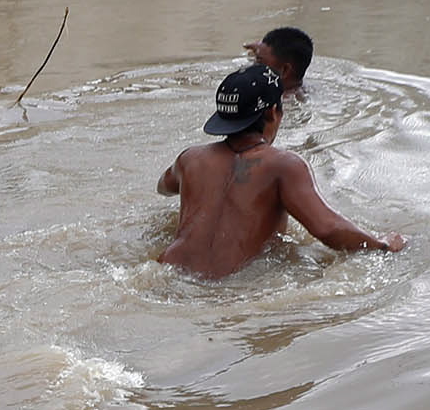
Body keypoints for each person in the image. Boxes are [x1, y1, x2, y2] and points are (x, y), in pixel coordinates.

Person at [156, 64, 404, 280]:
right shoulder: (284, 165)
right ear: (273, 112)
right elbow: (327, 228)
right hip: (231, 285)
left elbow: (163, 187)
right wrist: (381, 245)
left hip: (168, 273)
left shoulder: (190, 159)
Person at [246, 25, 314, 98]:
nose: (252, 66)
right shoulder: (298, 87)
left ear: (285, 70)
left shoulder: (282, 103)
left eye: (259, 62)